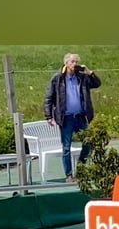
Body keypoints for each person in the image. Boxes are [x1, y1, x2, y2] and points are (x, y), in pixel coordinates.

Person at [43, 53, 101, 182]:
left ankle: (80, 169)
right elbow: (49, 98)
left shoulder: (82, 77)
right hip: (66, 117)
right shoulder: (58, 78)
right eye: (73, 62)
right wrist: (48, 116)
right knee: (66, 147)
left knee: (88, 143)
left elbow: (97, 84)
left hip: (80, 117)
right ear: (66, 63)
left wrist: (89, 72)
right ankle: (69, 175)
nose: (75, 64)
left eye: (77, 62)